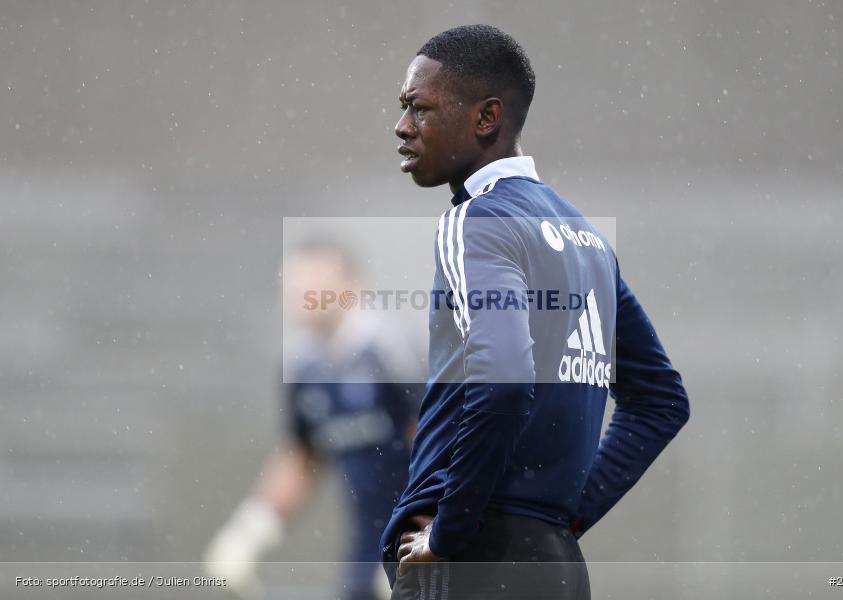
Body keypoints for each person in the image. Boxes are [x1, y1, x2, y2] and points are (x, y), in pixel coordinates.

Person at [380, 25, 691, 600]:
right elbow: (660, 402)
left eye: (418, 109)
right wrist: (561, 520)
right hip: (557, 568)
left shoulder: (476, 220)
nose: (401, 127)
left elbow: (502, 383)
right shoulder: (586, 238)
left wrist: (450, 533)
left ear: (486, 117)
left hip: (473, 563)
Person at [205, 240, 421, 600]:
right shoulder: (302, 364)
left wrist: (426, 535)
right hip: (370, 543)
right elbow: (304, 454)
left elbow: (439, 443)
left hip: (431, 534)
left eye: (315, 280)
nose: (302, 292)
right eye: (294, 283)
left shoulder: (392, 350)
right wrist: (251, 530)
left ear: (352, 285)